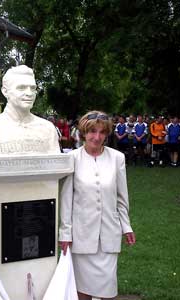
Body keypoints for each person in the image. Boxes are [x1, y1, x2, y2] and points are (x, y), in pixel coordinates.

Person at [59, 111, 135, 300]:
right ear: (84, 132)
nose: (97, 137)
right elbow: (66, 200)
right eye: (92, 131)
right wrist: (65, 234)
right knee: (82, 292)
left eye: (102, 132)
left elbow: (121, 198)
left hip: (109, 234)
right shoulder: (72, 158)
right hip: (81, 236)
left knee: (108, 289)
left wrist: (126, 227)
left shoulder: (117, 158)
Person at [0, 65, 60, 154]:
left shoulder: (48, 129)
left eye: (33, 88)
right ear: (5, 91)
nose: (29, 93)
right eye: (21, 88)